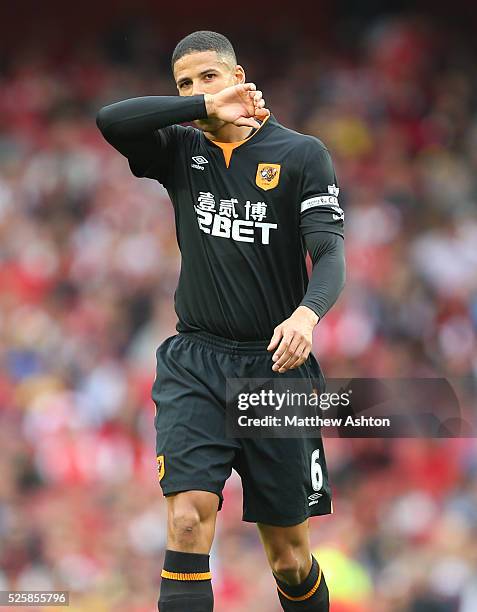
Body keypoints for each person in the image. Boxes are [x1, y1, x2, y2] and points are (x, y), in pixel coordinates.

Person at [96, 30, 345, 612]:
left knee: (289, 556)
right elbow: (111, 120)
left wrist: (308, 316)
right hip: (196, 362)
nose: (196, 90)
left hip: (276, 371)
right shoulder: (181, 150)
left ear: (239, 76)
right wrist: (203, 108)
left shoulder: (301, 153)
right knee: (187, 521)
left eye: (209, 77)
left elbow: (330, 254)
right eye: (184, 83)